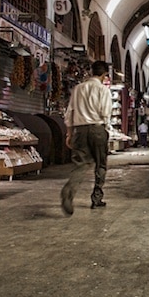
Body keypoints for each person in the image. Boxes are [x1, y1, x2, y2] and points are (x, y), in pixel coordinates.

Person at [61, 60, 112, 216]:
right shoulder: (104, 90)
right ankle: (97, 198)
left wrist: (69, 134)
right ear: (104, 75)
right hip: (97, 129)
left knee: (81, 165)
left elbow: (69, 113)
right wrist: (106, 130)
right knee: (100, 165)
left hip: (80, 130)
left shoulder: (78, 89)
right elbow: (105, 113)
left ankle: (68, 192)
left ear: (91, 72)